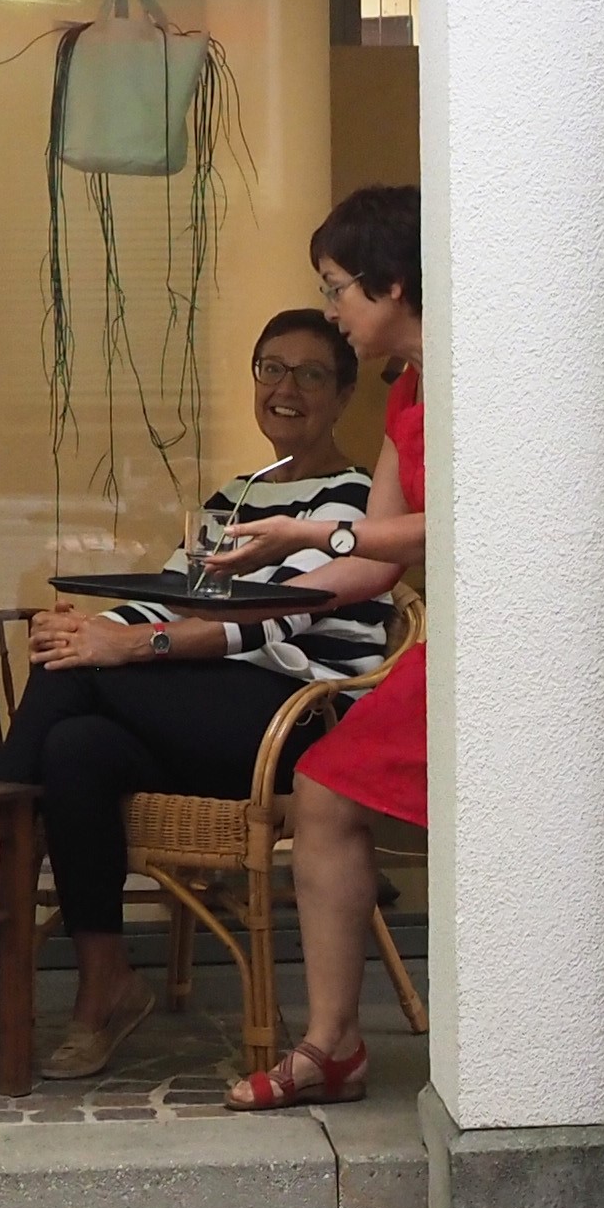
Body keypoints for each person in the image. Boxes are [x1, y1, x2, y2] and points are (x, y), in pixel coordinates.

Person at [0, 306, 394, 1077]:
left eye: (310, 375)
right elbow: (175, 598)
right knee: (76, 745)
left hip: (299, 726)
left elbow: (271, 621)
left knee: (78, 677)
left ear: (341, 395)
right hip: (208, 715)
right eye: (271, 369)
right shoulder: (237, 495)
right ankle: (103, 982)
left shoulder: (352, 496)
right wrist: (93, 626)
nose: (286, 388)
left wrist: (126, 645)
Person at [227, 185, 430, 1112]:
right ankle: (331, 1042)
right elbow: (374, 562)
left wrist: (311, 537)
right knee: (325, 784)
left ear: (394, 287)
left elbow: (444, 528)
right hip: (451, 648)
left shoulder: (472, 375)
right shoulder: (409, 390)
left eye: (341, 289)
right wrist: (277, 560)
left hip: (504, 650)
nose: (336, 310)